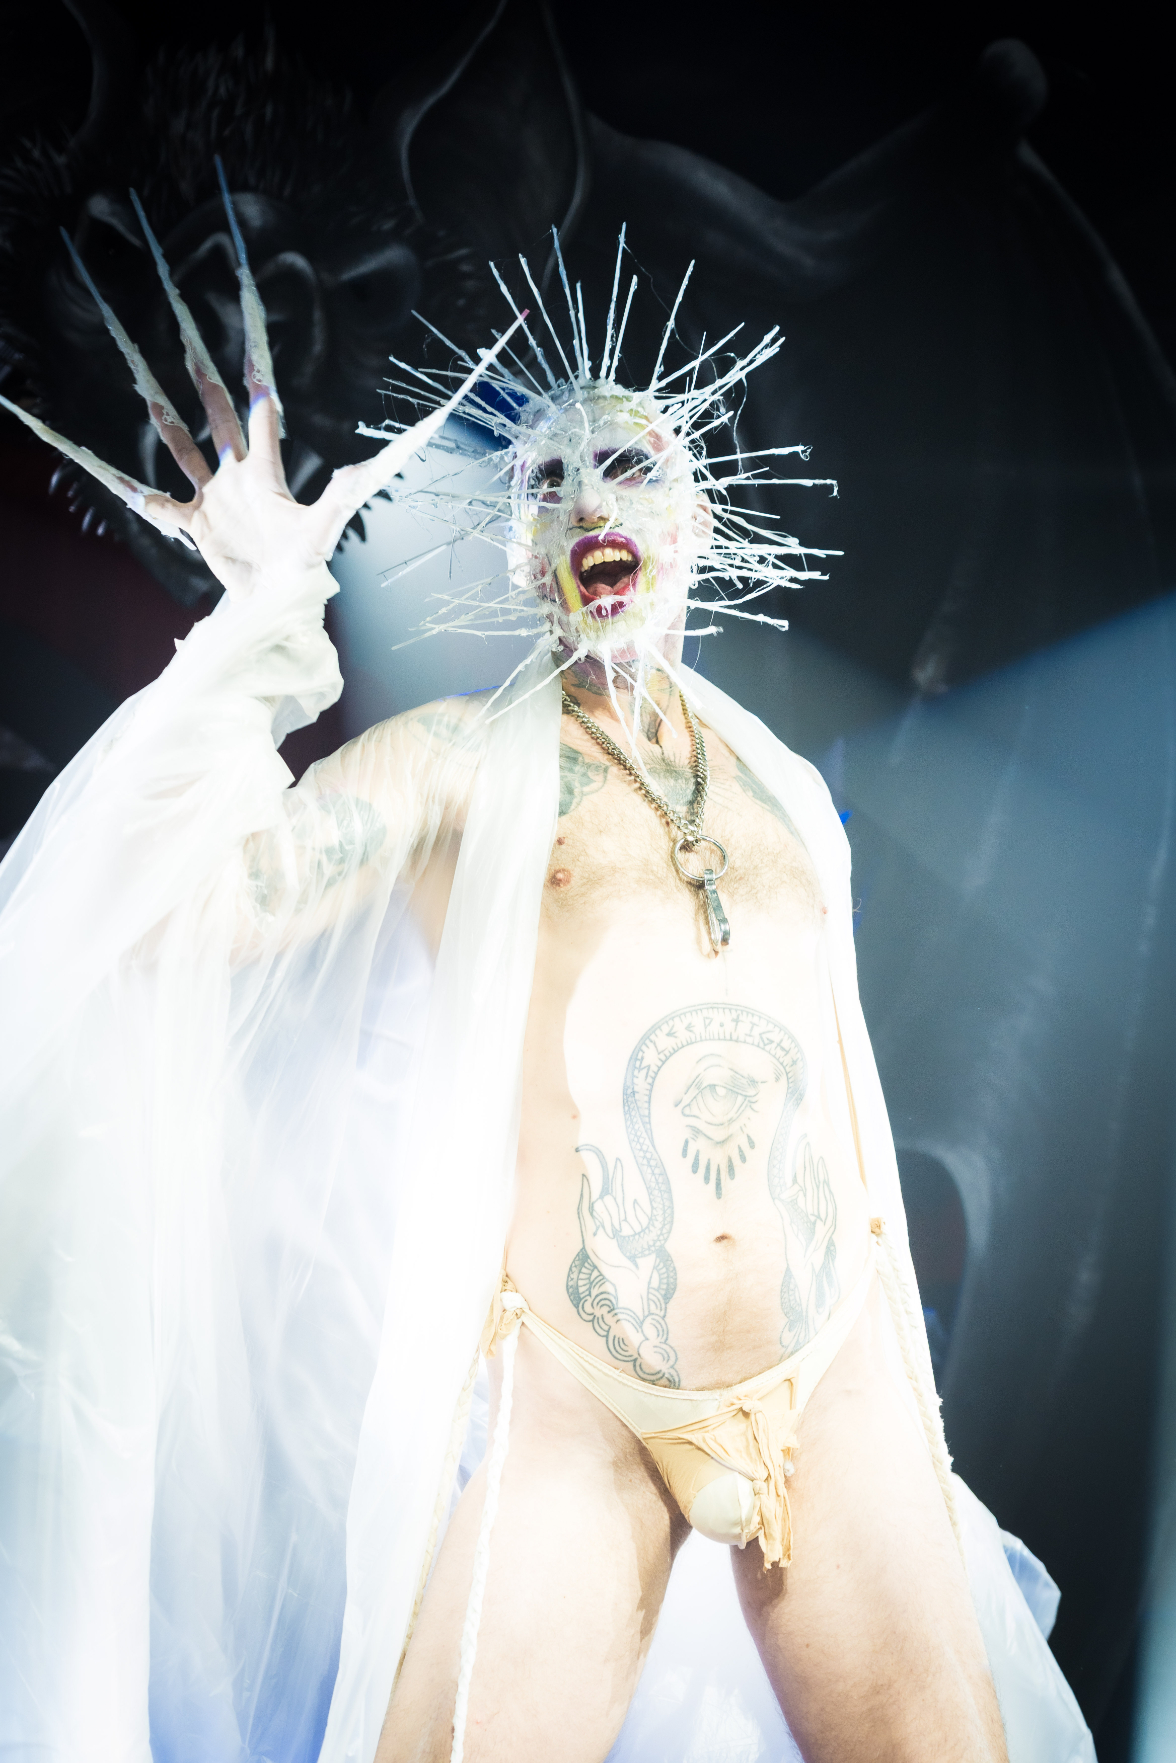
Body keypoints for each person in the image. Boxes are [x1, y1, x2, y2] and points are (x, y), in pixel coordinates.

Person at [0, 212, 1093, 1763]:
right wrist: (257, 623)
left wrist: (907, 1393)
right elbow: (210, 908)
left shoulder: (788, 791)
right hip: (585, 1406)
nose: (588, 501)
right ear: (520, 553)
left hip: (833, 1382)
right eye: (545, 483)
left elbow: (841, 1095)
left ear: (697, 517)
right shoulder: (456, 767)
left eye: (627, 466)